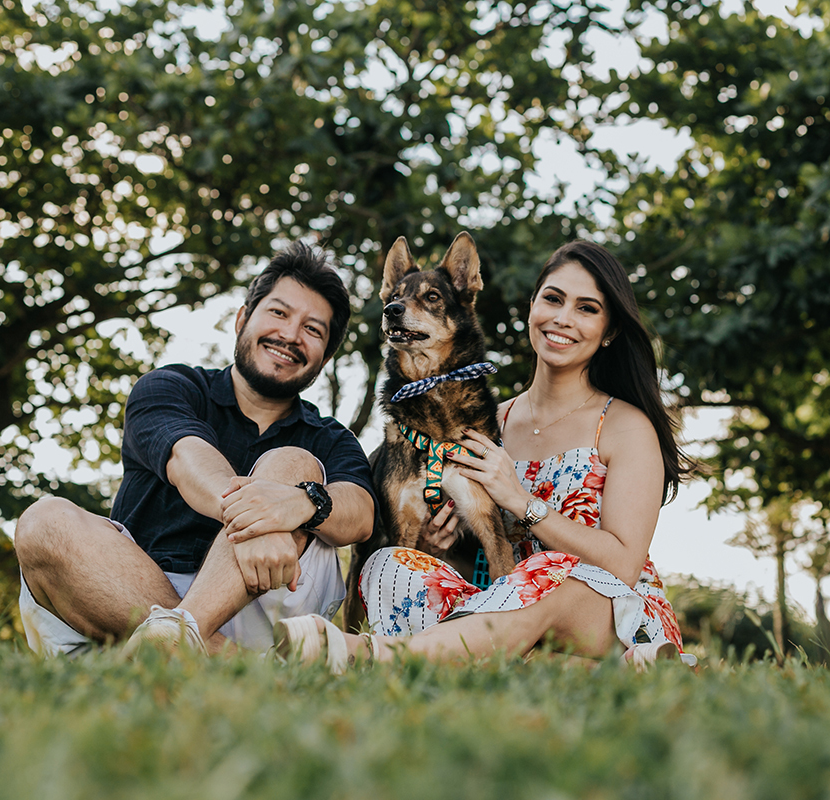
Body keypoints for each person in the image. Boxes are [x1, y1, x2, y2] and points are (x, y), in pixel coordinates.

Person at [274, 241, 697, 670]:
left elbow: (623, 565)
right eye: (553, 299)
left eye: (587, 308)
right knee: (389, 565)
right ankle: (579, 672)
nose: (563, 318)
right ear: (532, 307)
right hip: (499, 607)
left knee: (547, 573)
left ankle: (362, 654)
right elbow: (480, 558)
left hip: (600, 607)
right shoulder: (482, 424)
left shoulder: (626, 425)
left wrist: (522, 502)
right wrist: (432, 545)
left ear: (608, 330)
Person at [14, 242, 377, 656]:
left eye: (313, 330)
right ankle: (226, 660)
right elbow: (187, 459)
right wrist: (259, 517)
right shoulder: (172, 386)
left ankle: (180, 639)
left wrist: (302, 502)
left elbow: (361, 514)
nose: (290, 335)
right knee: (44, 520)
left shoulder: (330, 436)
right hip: (128, 591)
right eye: (278, 312)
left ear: (324, 358)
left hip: (268, 593)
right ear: (242, 319)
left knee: (290, 462)